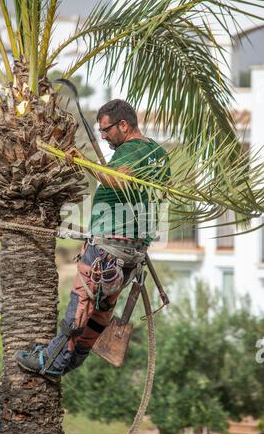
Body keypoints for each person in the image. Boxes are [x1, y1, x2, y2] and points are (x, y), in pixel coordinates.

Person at [15, 99, 170, 382]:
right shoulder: (158, 153)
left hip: (108, 249)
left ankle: (49, 361)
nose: (104, 136)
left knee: (82, 304)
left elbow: (119, 181)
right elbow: (156, 193)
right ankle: (70, 360)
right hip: (131, 254)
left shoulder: (131, 149)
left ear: (124, 125)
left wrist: (83, 162)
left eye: (106, 130)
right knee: (99, 313)